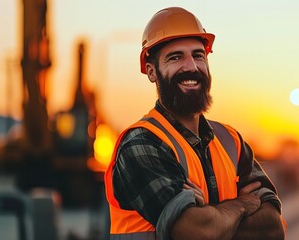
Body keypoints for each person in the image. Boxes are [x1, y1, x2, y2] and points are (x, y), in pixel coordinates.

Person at [104, 6, 285, 240]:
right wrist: (240, 205)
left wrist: (207, 215)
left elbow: (272, 228)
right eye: (175, 57)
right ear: (152, 72)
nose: (191, 66)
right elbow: (193, 232)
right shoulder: (140, 145)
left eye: (198, 55)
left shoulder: (231, 142)